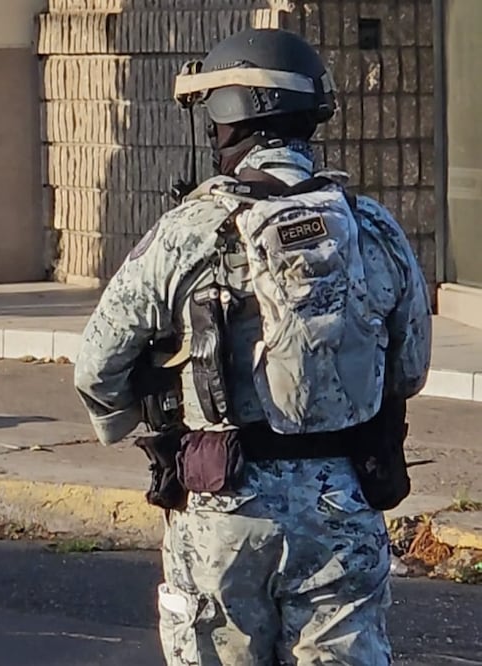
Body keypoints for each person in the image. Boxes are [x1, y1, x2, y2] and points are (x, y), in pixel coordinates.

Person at [73, 28, 432, 666]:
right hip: (343, 508)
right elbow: (409, 370)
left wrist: (136, 414)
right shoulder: (374, 227)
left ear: (235, 113)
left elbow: (97, 367)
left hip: (223, 513)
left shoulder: (188, 232)